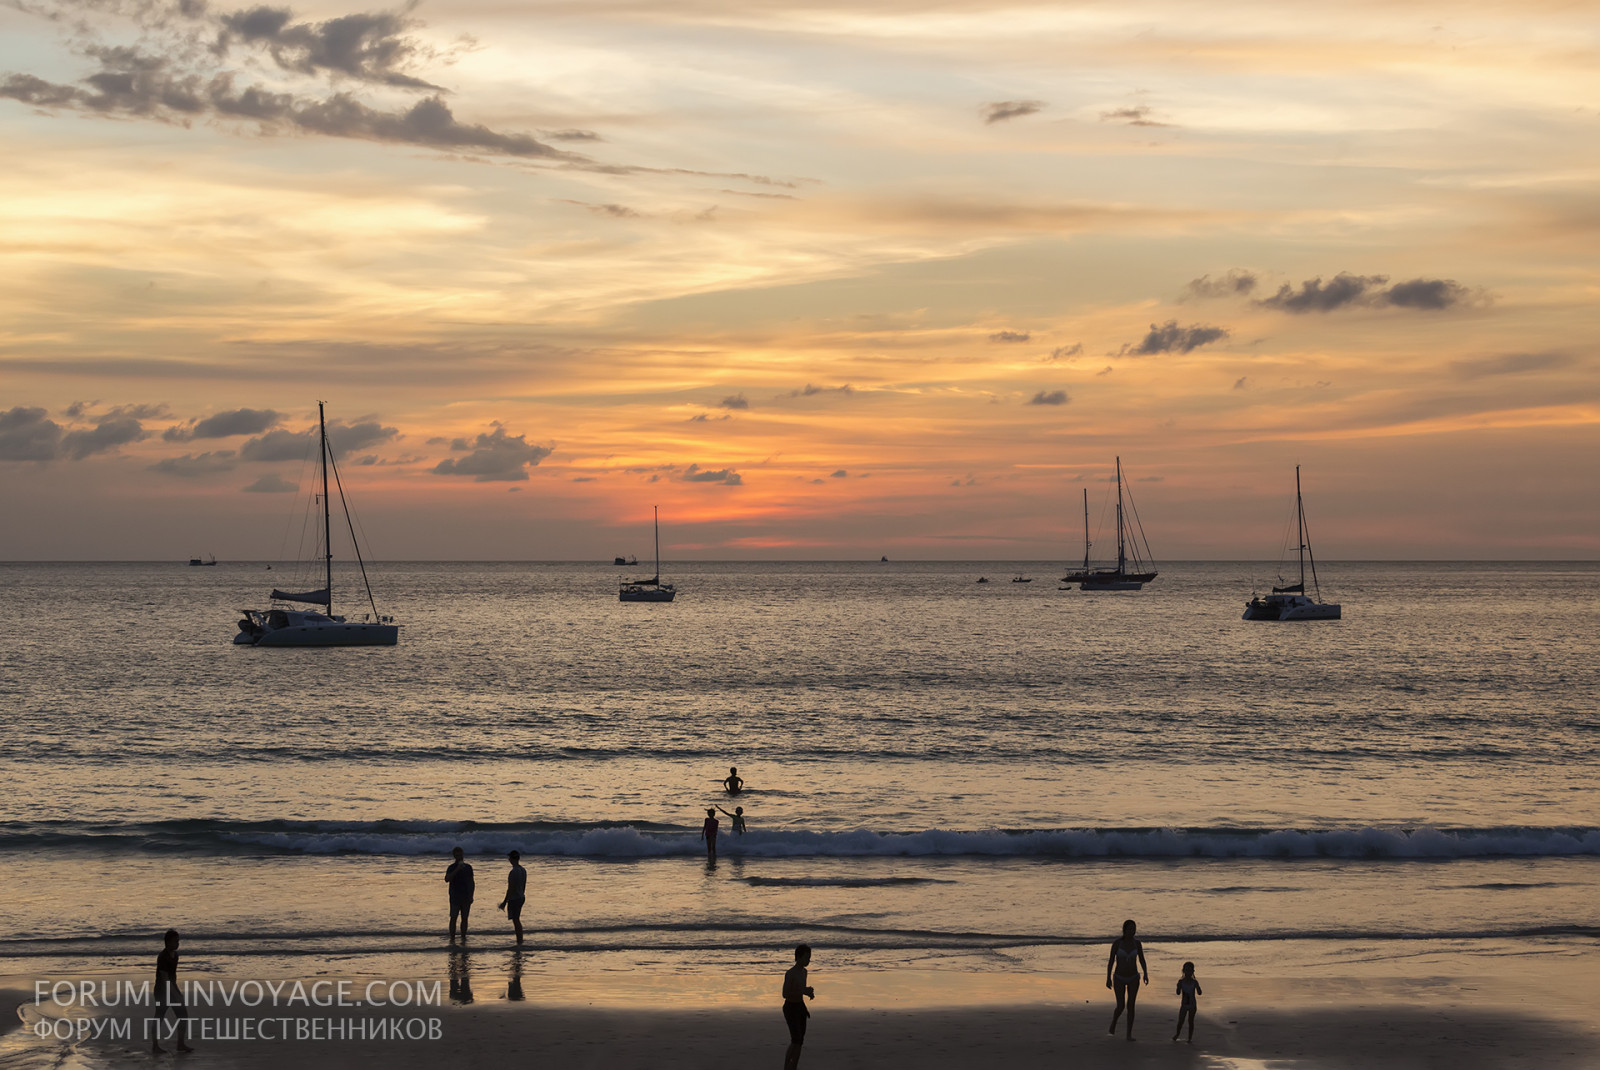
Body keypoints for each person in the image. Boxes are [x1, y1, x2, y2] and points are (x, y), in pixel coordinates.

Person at [1105, 918, 1149, 1041]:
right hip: (1119, 977)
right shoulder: (1117, 943)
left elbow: (1142, 960)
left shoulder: (1137, 943)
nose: (1132, 931)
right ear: (1124, 930)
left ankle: (1128, 1034)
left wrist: (1145, 973)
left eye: (1134, 929)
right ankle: (1114, 1021)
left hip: (1133, 977)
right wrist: (1108, 978)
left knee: (1131, 1005)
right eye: (1130, 929)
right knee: (1121, 1005)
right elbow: (1111, 962)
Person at [151, 928, 193, 1054]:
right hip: (161, 991)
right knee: (159, 1017)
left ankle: (180, 1044)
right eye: (175, 941)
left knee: (183, 1015)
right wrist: (176, 995)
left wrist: (176, 992)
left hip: (172, 988)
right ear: (168, 942)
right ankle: (155, 1046)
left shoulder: (175, 955)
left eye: (178, 941)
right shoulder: (163, 957)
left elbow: (173, 977)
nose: (178, 943)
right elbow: (165, 979)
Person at [781, 944, 815, 1070]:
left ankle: (793, 1066)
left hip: (800, 1006)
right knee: (796, 1039)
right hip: (790, 1007)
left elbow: (801, 990)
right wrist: (803, 991)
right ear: (798, 957)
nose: (808, 961)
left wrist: (809, 992)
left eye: (809, 958)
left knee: (799, 1041)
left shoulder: (804, 972)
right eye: (806, 957)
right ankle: (787, 1067)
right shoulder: (790, 973)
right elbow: (785, 994)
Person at [497, 850, 527, 944]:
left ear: (512, 859)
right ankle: (520, 939)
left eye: (509, 857)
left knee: (516, 920)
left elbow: (511, 888)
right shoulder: (523, 870)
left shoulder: (513, 872)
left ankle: (519, 940)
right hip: (521, 896)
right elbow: (524, 885)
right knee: (516, 919)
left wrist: (505, 902)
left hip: (515, 898)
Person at [445, 846, 475, 941]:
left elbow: (471, 882)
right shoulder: (451, 867)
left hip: (466, 896)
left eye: (460, 855)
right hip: (455, 896)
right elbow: (447, 879)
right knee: (453, 918)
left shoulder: (468, 867)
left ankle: (463, 937)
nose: (459, 857)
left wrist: (471, 895)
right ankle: (452, 938)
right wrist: (457, 869)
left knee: (465, 918)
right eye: (457, 855)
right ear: (454, 856)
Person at [1173, 960, 1202, 1042]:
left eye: (1189, 970)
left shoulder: (1194, 982)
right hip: (1184, 1005)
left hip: (1192, 1005)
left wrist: (1198, 987)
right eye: (1186, 970)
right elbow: (1178, 993)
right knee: (1180, 1021)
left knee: (1190, 1021)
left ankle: (1189, 1038)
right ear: (1183, 971)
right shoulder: (1181, 982)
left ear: (1192, 971)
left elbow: (1200, 993)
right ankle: (1177, 1034)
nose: (1188, 972)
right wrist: (1178, 987)